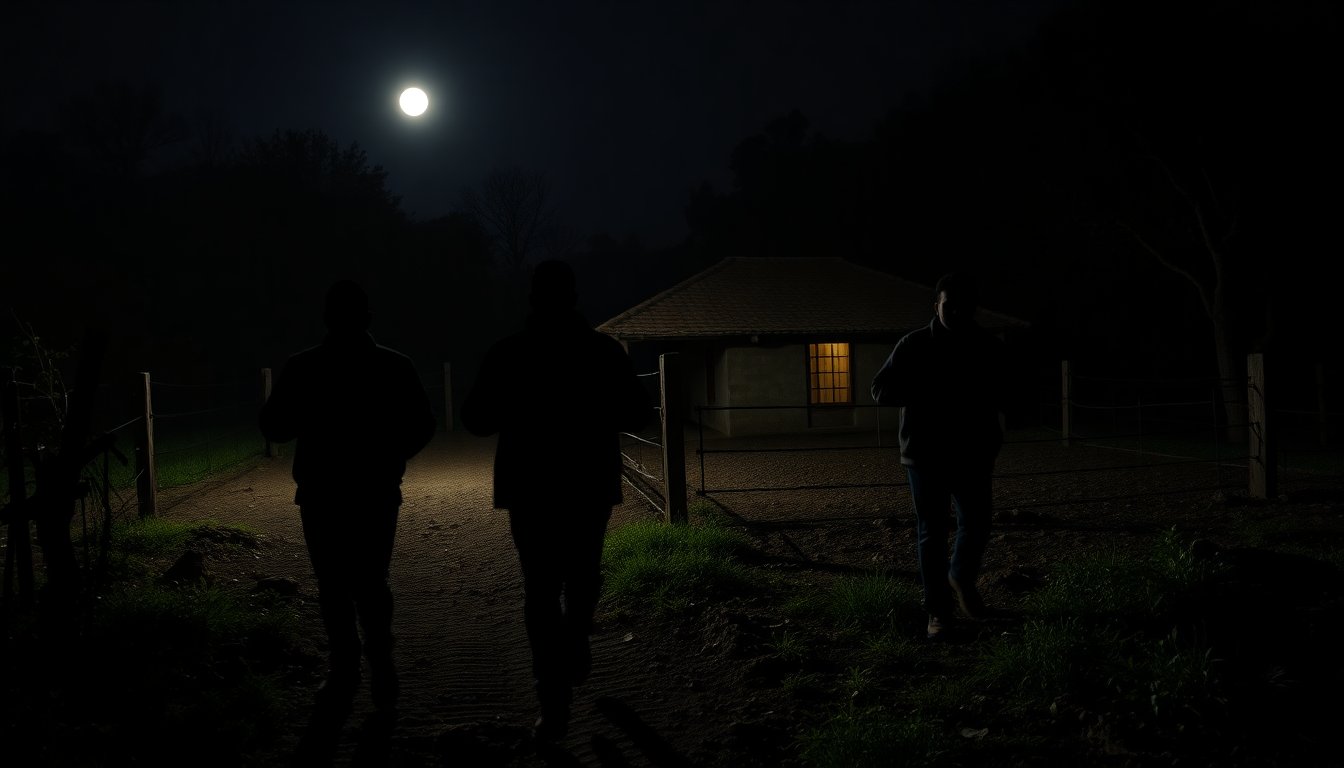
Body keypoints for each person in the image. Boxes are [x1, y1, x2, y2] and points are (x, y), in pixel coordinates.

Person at [461, 260, 650, 741]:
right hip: (588, 482)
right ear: (573, 297)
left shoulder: (508, 353)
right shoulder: (604, 352)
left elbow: (477, 420)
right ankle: (577, 639)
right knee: (584, 571)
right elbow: (638, 414)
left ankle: (552, 699)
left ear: (532, 300)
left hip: (530, 487)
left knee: (540, 588)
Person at [259, 279, 436, 715]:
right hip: (376, 489)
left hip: (321, 491)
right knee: (372, 580)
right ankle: (381, 666)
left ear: (326, 318)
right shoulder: (395, 366)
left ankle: (345, 668)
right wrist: (392, 455)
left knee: (333, 583)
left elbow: (273, 426)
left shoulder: (303, 367)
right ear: (368, 318)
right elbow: (423, 424)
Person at [870, 271, 1007, 640]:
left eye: (964, 306)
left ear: (973, 308)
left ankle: (960, 577)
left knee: (976, 523)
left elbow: (1004, 394)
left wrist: (995, 436)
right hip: (926, 456)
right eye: (950, 305)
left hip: (973, 455)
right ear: (937, 306)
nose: (957, 312)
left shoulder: (988, 347)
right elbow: (880, 388)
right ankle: (939, 612)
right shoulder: (913, 345)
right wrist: (922, 392)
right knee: (932, 533)